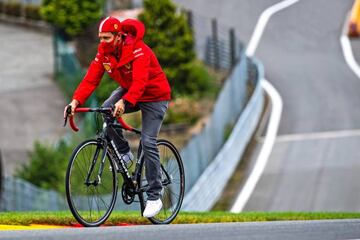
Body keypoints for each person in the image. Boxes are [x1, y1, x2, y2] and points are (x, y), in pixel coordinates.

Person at [64, 16, 171, 218]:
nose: (102, 42)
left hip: (155, 96)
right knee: (106, 109)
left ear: (119, 36)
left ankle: (155, 194)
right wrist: (75, 102)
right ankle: (124, 152)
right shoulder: (104, 53)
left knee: (148, 142)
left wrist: (124, 102)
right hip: (131, 90)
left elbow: (140, 82)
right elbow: (90, 79)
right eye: (100, 38)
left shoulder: (138, 50)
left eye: (106, 38)